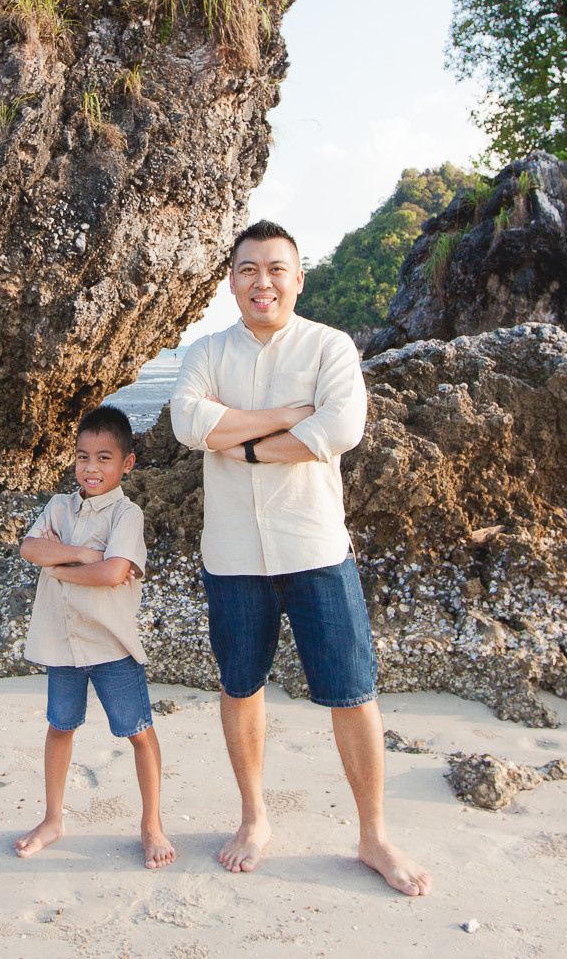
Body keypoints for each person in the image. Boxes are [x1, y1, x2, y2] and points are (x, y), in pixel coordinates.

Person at [169, 219, 433, 896]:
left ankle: (373, 834)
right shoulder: (206, 350)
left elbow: (340, 428)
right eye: (249, 268)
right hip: (231, 554)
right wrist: (288, 417)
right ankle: (254, 817)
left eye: (276, 268)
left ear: (298, 277)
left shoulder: (328, 346)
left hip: (315, 546)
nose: (263, 281)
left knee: (353, 691)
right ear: (231, 279)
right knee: (240, 685)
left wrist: (244, 440)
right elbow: (188, 423)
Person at [11, 404, 175, 870]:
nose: (91, 467)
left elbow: (114, 572)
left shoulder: (127, 514)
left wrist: (59, 571)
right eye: (83, 456)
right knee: (60, 726)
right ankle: (52, 819)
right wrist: (82, 553)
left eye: (105, 457)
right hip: (61, 642)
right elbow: (29, 548)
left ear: (127, 464)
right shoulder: (59, 506)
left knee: (138, 732)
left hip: (109, 644)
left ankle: (152, 825)